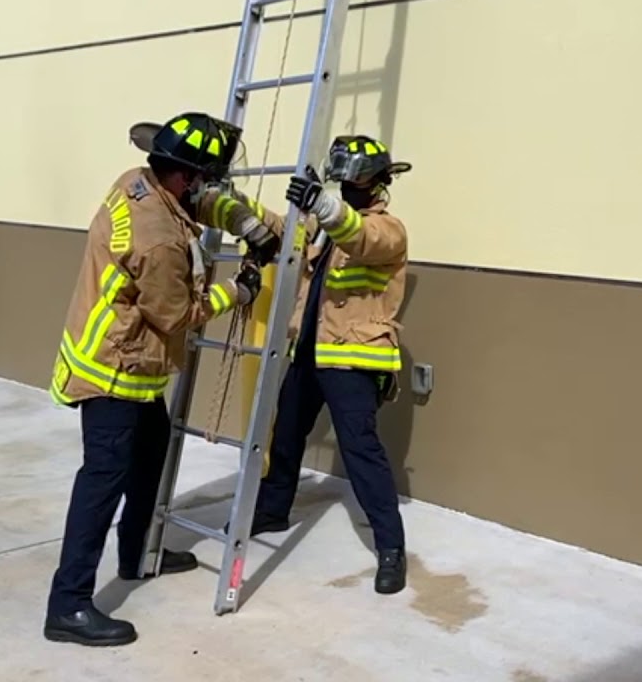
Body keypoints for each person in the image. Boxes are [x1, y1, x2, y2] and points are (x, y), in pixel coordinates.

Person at [44, 111, 280, 647]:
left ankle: (136, 553)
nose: (208, 188)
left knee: (150, 457)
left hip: (131, 363)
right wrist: (238, 291)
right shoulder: (159, 242)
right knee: (100, 485)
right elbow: (176, 315)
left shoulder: (140, 182)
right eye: (206, 178)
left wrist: (245, 222)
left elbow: (196, 203)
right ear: (186, 176)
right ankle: (69, 605)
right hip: (112, 370)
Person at [227, 134, 412, 595]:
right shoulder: (327, 226)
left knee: (361, 452)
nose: (349, 188)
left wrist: (325, 206)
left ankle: (391, 549)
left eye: (356, 181)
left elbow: (361, 236)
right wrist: (235, 201)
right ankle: (273, 509)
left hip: (352, 361)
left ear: (376, 182)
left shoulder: (387, 229)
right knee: (286, 435)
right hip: (310, 354)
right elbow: (285, 229)